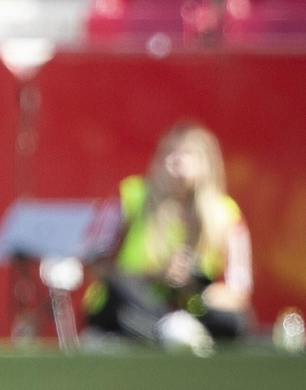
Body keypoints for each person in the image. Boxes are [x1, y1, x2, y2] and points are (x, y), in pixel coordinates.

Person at [84, 122, 252, 355]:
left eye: (185, 154)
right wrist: (158, 275)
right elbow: (97, 262)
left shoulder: (226, 215)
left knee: (232, 319)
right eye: (167, 153)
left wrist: (196, 286)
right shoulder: (132, 196)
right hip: (136, 302)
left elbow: (238, 290)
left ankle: (176, 331)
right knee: (120, 289)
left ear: (207, 163)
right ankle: (167, 330)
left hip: (190, 307)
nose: (174, 162)